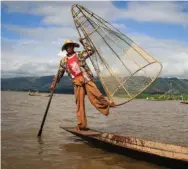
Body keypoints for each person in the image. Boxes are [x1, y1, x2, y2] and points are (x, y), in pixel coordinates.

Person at [50, 39, 115, 131]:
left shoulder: (79, 54)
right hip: (77, 82)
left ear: (73, 47)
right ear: (65, 49)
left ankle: (108, 104)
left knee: (96, 95)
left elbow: (91, 50)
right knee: (79, 104)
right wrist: (54, 83)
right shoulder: (63, 61)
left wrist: (83, 42)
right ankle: (81, 125)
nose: (69, 48)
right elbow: (59, 73)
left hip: (86, 78)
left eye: (70, 46)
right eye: (67, 47)